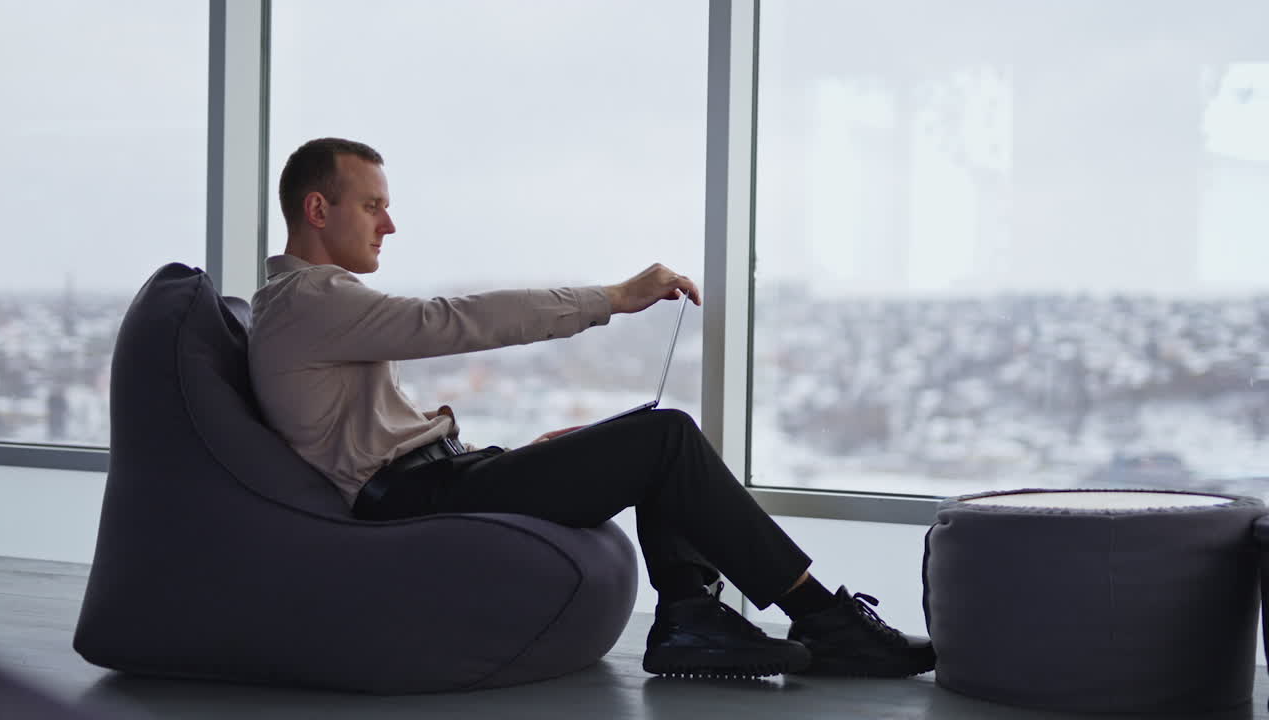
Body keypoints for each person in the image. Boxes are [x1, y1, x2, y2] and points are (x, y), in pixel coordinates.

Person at [249, 137, 935, 679]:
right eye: (372, 206)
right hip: (414, 499)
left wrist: (521, 460)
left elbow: (376, 435)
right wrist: (612, 297)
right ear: (317, 209)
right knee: (663, 438)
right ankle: (818, 619)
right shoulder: (308, 300)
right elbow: (453, 320)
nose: (389, 224)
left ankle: (693, 615)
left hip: (438, 478)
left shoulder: (311, 306)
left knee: (651, 439)